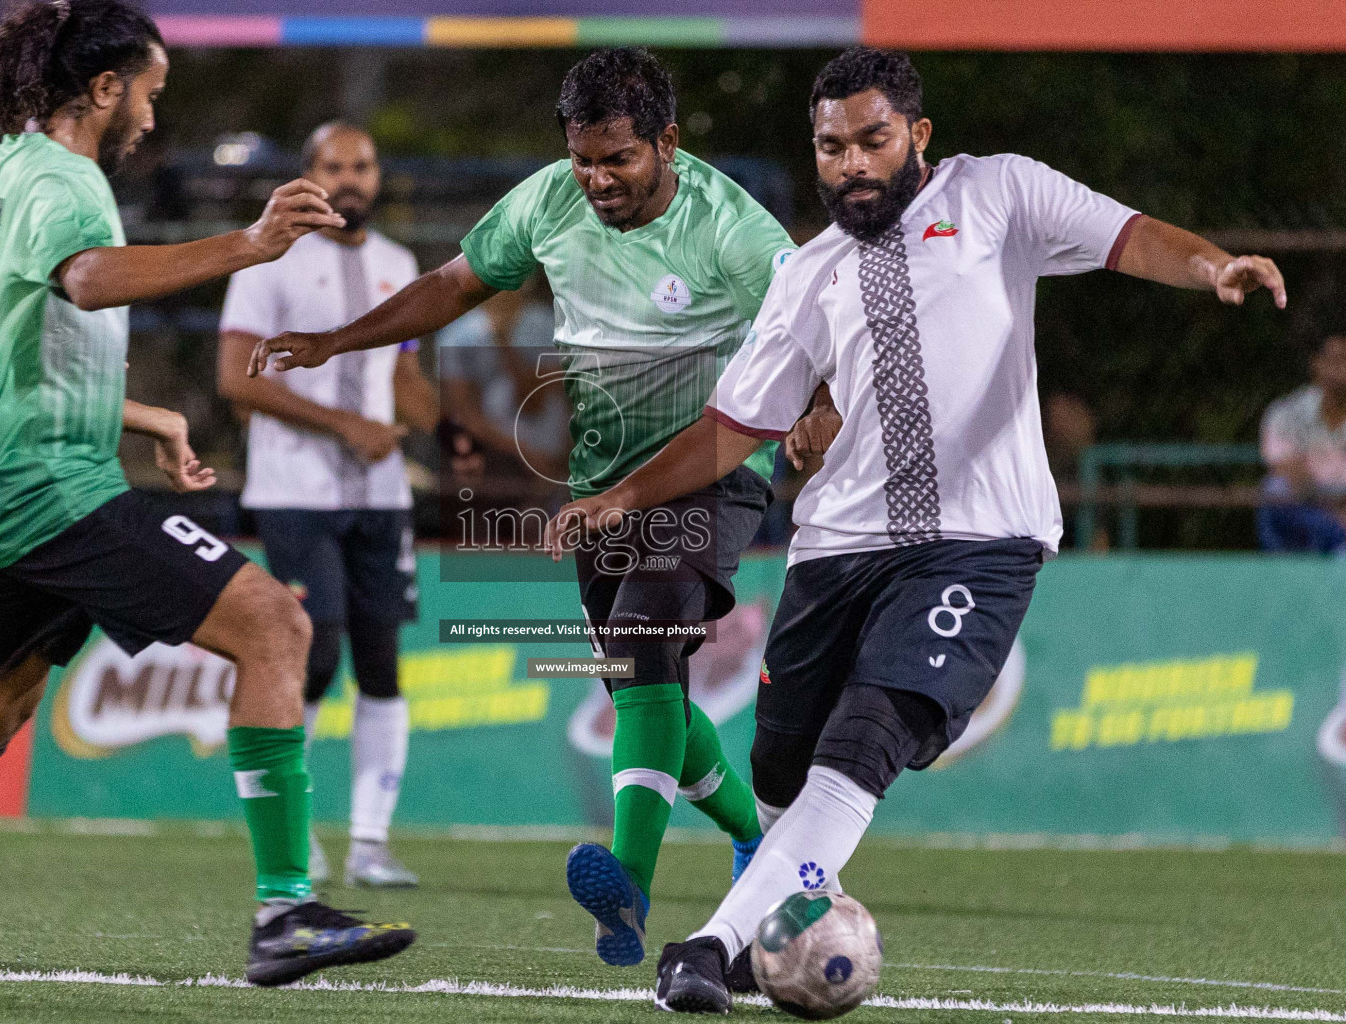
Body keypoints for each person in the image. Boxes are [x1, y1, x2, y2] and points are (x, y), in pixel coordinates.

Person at [544, 46, 1287, 1011]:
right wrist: (620, 498)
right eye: (830, 147)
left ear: (917, 135)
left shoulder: (1000, 198)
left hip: (981, 541)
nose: (851, 163)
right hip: (838, 548)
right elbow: (737, 426)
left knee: (867, 736)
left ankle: (714, 947)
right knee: (777, 766)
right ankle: (792, 902)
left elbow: (1128, 235)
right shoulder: (807, 274)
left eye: (872, 140)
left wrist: (1213, 265)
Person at [0, 1, 413, 996]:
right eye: (149, 90)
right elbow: (85, 281)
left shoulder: (5, 170)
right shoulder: (65, 183)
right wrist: (247, 244)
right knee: (272, 624)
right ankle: (286, 911)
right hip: (43, 482)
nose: (150, 112)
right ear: (103, 87)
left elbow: (7, 335)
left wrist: (141, 415)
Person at [250, 48, 837, 968]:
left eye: (619, 160)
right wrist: (336, 344)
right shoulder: (547, 203)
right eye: (584, 160)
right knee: (651, 696)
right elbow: (453, 285)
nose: (598, 180)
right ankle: (761, 842)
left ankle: (630, 891)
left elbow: (820, 317)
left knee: (645, 649)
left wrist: (823, 404)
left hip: (714, 468)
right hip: (599, 487)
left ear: (667, 144)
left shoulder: (731, 228)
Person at [217, 120, 438, 889]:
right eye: (335, 166)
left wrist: (440, 415)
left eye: (364, 166)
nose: (351, 179)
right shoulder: (267, 258)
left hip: (380, 496)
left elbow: (407, 379)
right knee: (315, 652)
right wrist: (347, 423)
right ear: (308, 174)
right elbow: (236, 379)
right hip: (295, 490)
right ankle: (297, 834)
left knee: (381, 663)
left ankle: (370, 844)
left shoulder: (399, 263)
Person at [437, 280, 569, 484]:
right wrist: (519, 452)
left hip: (547, 444)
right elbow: (462, 411)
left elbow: (536, 401)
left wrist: (503, 338)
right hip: (491, 447)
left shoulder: (544, 322)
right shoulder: (456, 334)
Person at [1258, 333, 1346, 553]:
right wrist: (1336, 514)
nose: (1341, 370)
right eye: (1336, 360)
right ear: (1317, 364)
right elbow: (1289, 473)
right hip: (1307, 508)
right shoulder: (1287, 412)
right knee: (1275, 489)